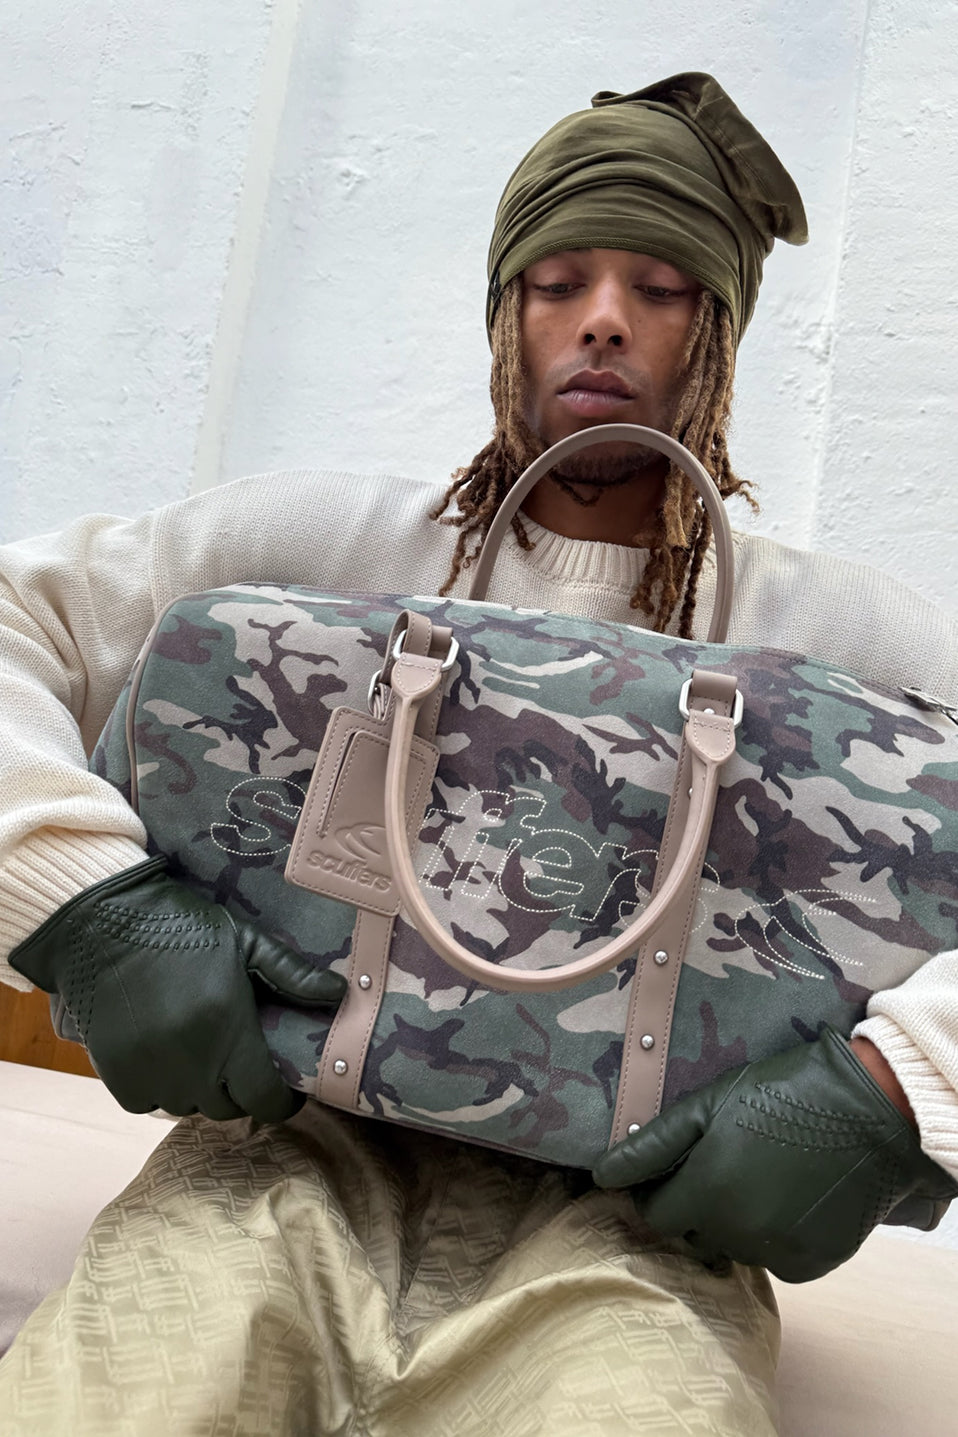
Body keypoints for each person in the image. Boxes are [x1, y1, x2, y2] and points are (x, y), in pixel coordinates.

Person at [0, 72, 956, 1436]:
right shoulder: (335, 546)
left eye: (660, 287)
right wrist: (83, 899)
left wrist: (901, 1082)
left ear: (723, 332)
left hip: (644, 1223)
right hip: (277, 1150)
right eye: (558, 281)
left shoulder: (834, 633)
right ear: (506, 314)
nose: (603, 317)